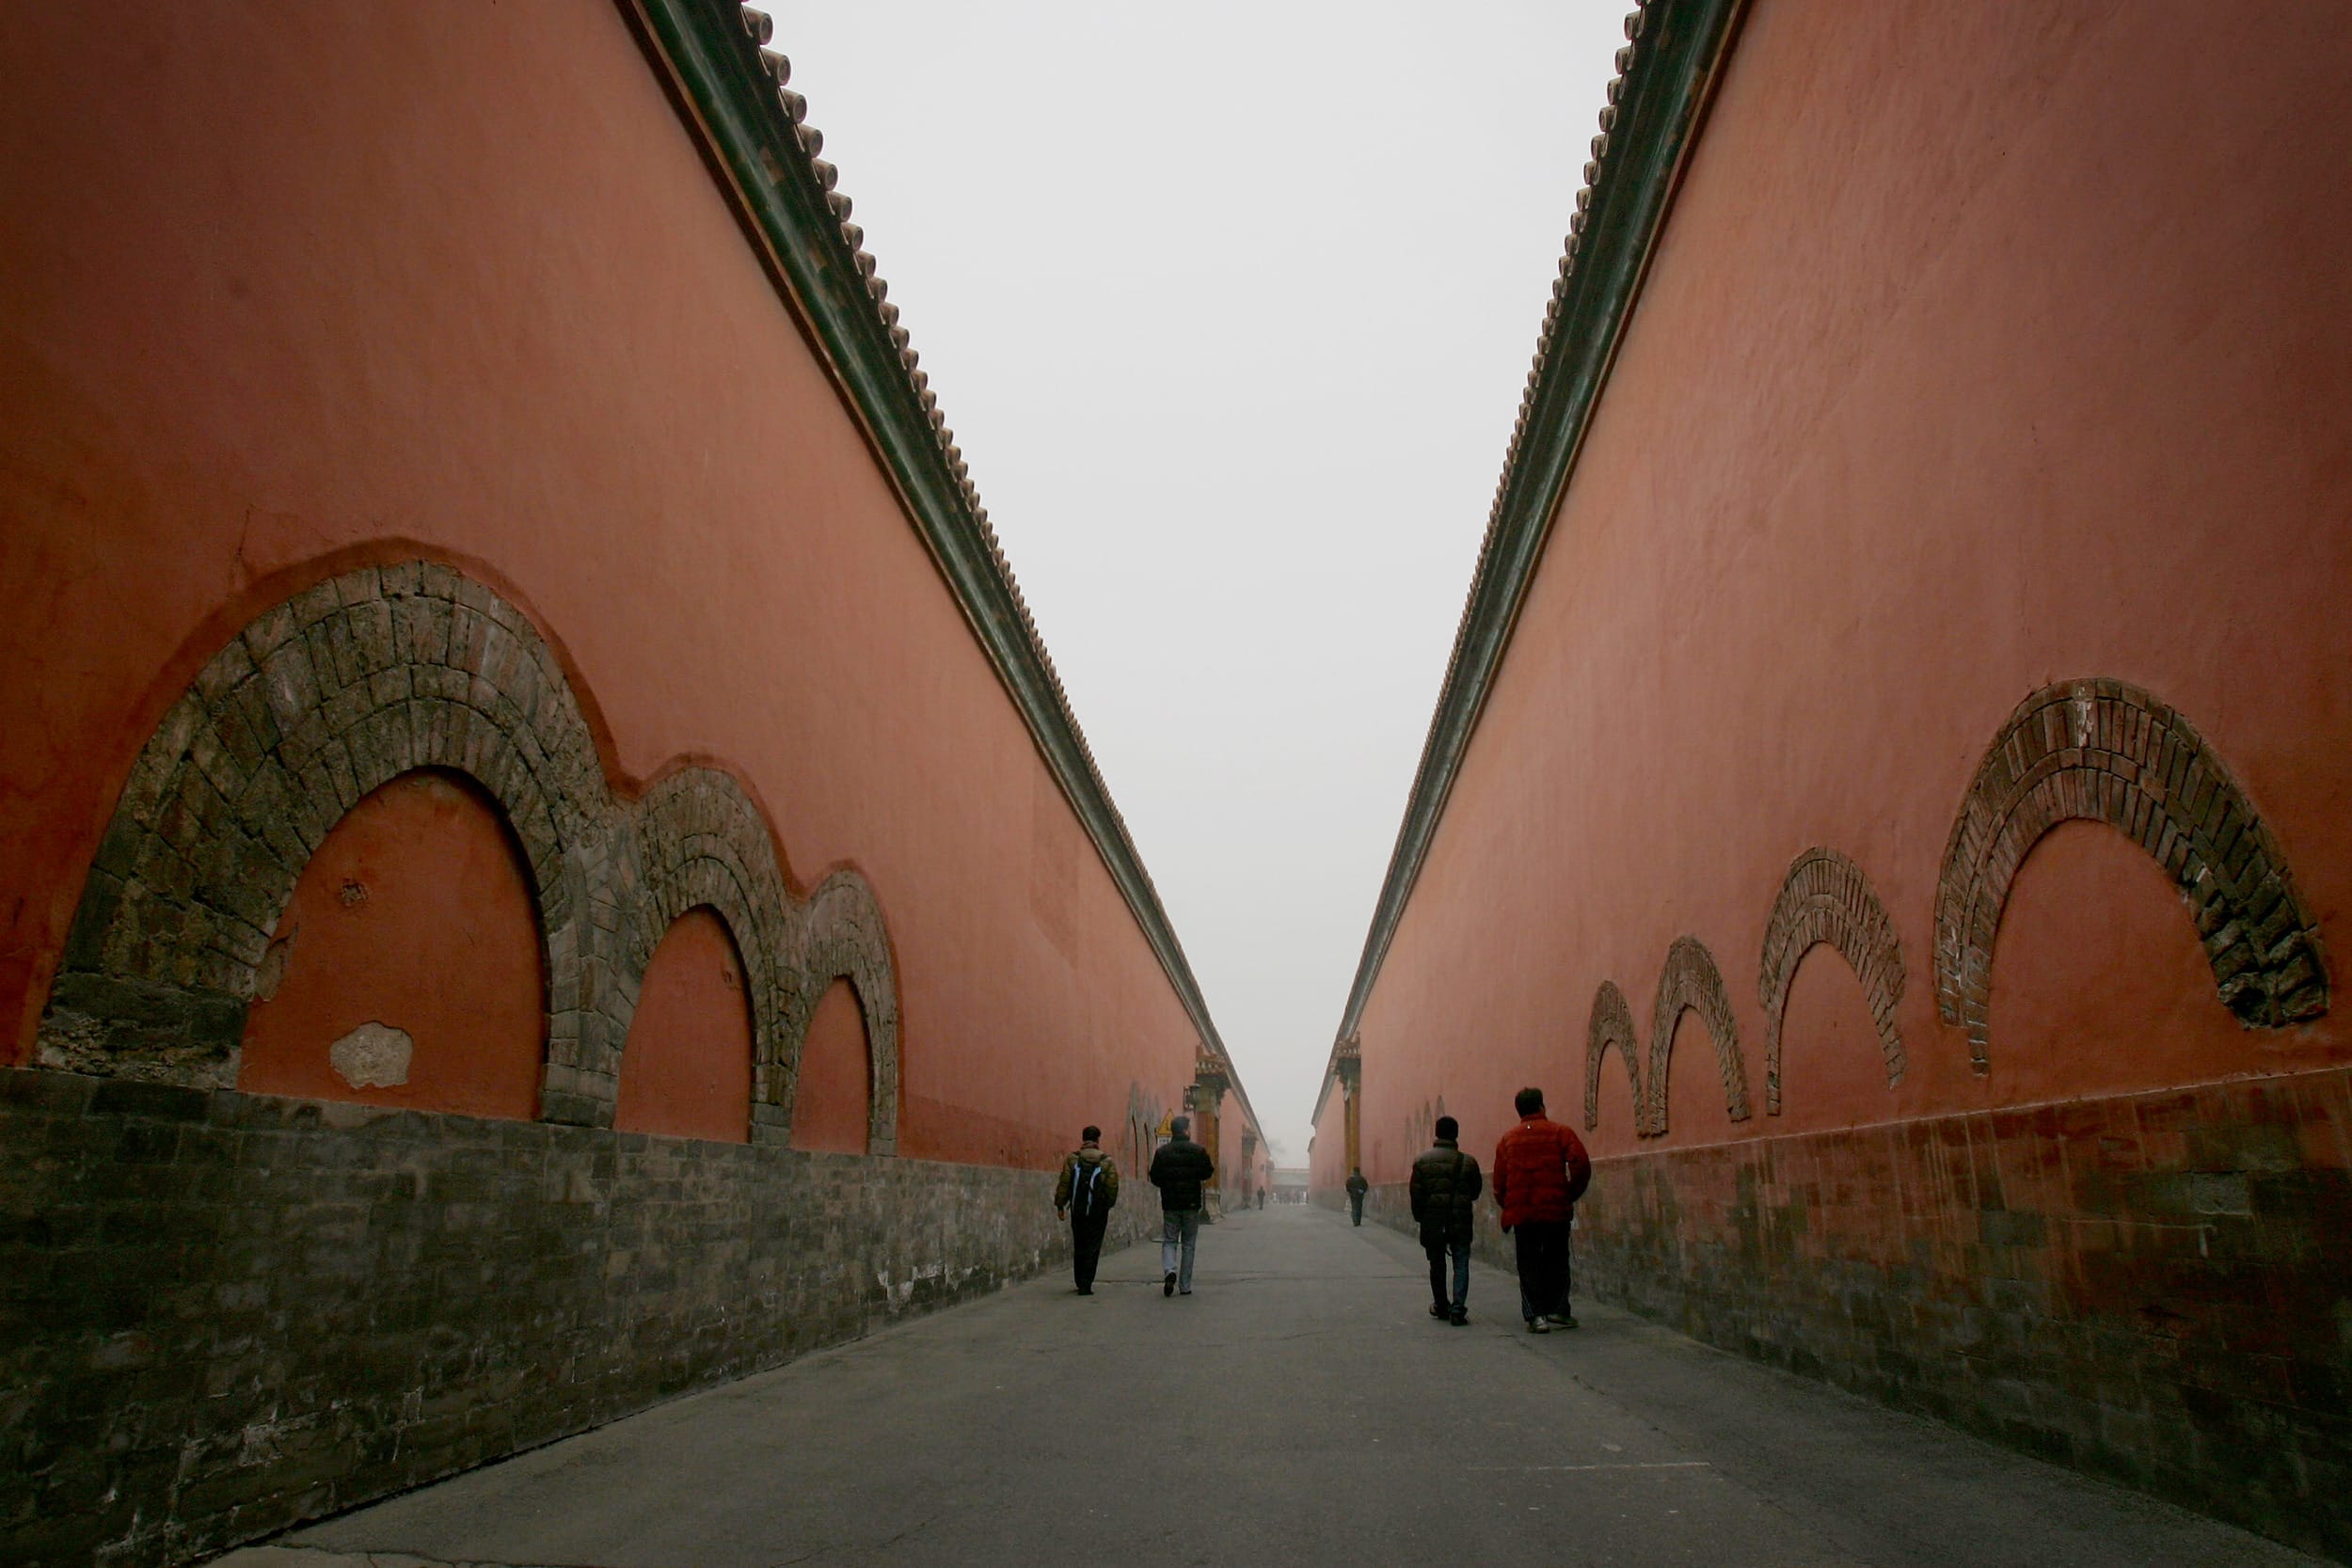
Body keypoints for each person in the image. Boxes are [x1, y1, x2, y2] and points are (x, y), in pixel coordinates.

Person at [1491, 1086, 1593, 1333]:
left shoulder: (1507, 1140)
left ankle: (1536, 1316)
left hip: (1523, 1214)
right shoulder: (1560, 1132)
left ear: (1519, 1111)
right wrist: (1568, 1193)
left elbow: (1499, 1182)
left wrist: (1510, 1203)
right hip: (1554, 1209)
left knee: (1528, 1262)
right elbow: (1580, 1164)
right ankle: (1558, 1309)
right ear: (1541, 1106)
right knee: (1557, 1259)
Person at [1408, 1116, 1482, 1325]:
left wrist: (1421, 1217)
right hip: (1460, 1220)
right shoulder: (1468, 1162)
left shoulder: (1422, 1161)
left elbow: (1416, 1194)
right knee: (1461, 1263)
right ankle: (1458, 1309)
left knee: (1437, 1264)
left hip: (1433, 1221)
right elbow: (1475, 1192)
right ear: (1456, 1134)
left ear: (1436, 1133)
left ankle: (1441, 1305)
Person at [1148, 1115, 1216, 1297]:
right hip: (1191, 1203)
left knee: (1169, 1240)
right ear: (1186, 1130)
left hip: (1170, 1202)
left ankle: (1170, 1270)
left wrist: (1167, 1184)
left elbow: (1154, 1176)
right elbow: (1208, 1172)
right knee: (1188, 1244)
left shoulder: (1162, 1152)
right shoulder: (1198, 1151)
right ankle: (1185, 1285)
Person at [1054, 1125, 1120, 1295]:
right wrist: (1107, 1205)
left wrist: (1060, 1205)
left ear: (1083, 1139)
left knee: (1080, 1244)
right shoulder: (1107, 1161)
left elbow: (1064, 1183)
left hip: (1078, 1210)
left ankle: (1079, 1279)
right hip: (1098, 1212)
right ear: (1098, 1139)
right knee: (1093, 1246)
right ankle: (1086, 1283)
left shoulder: (1073, 1159)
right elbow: (1112, 1187)